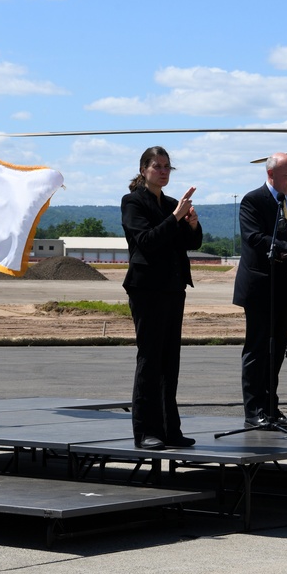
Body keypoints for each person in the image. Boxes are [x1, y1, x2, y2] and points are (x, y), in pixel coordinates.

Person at [121, 146, 203, 450]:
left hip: (172, 288)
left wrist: (192, 223)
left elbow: (188, 242)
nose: (164, 171)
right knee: (150, 359)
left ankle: (170, 429)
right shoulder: (133, 202)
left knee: (170, 361)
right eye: (158, 166)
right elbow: (146, 241)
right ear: (144, 170)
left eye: (168, 166)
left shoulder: (170, 203)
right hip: (147, 289)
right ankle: (145, 431)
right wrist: (176, 216)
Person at [233, 152, 287, 427]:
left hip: (285, 288)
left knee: (277, 349)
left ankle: (271, 408)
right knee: (258, 350)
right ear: (271, 175)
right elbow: (254, 238)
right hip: (260, 288)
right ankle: (253, 411)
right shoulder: (253, 200)